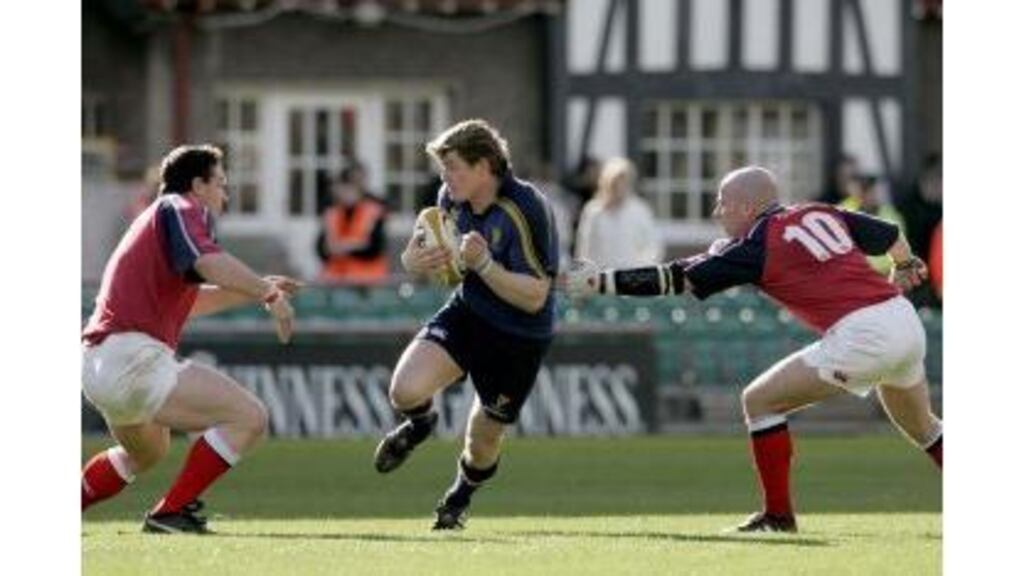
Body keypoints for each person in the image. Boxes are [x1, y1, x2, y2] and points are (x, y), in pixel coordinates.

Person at [562, 166, 942, 533]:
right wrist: (905, 263)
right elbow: (890, 234)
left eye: (722, 202)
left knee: (760, 402)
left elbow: (674, 278)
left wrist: (599, 282)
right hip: (903, 318)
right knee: (926, 429)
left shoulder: (759, 245)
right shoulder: (816, 210)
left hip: (865, 334)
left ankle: (777, 517)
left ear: (746, 207)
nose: (716, 211)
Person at [81, 144, 300, 534]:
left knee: (147, 453)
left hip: (99, 363)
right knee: (249, 417)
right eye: (221, 183)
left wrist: (253, 289)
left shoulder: (157, 221)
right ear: (198, 185)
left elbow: (190, 301)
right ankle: (170, 513)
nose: (225, 194)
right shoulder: (182, 207)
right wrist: (268, 294)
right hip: (132, 358)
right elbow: (208, 262)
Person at [373, 119, 559, 530]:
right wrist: (412, 261)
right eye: (444, 169)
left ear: (484, 165)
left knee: (482, 440)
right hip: (470, 314)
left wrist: (485, 265)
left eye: (453, 167)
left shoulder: (527, 207)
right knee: (404, 390)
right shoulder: (450, 198)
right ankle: (421, 424)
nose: (445, 178)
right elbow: (439, 261)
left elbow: (535, 297)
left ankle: (458, 498)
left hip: (519, 336)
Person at [574, 157, 664, 268]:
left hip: (631, 274)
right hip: (602, 274)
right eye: (615, 183)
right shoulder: (593, 211)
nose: (619, 187)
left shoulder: (640, 210)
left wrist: (641, 269)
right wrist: (589, 273)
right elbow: (583, 249)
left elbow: (653, 246)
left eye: (624, 182)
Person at [318, 162, 389, 284]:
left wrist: (345, 247)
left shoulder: (374, 210)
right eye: (344, 187)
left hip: (367, 280)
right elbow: (322, 247)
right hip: (335, 279)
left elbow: (376, 247)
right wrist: (330, 249)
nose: (346, 193)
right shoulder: (332, 212)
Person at [838, 175, 906, 277]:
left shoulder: (892, 217)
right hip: (850, 274)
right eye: (864, 190)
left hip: (882, 276)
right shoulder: (843, 210)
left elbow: (898, 253)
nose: (869, 195)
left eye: (872, 190)